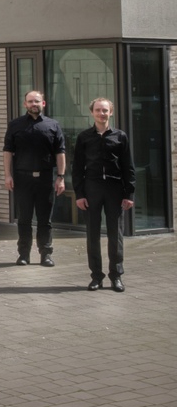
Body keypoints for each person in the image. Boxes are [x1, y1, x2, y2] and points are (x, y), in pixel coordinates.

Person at [74, 98, 134, 293]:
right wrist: (79, 194)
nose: (102, 113)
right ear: (92, 113)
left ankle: (116, 276)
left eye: (105, 110)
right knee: (92, 234)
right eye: (98, 110)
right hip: (91, 189)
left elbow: (128, 167)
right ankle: (96, 277)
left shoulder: (120, 136)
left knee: (115, 234)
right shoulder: (84, 137)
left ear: (111, 113)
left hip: (114, 189)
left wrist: (129, 193)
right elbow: (77, 168)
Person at [2, 90, 66, 267]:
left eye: (37, 101)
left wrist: (61, 177)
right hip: (22, 179)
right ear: (25, 104)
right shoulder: (15, 125)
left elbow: (60, 152)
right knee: (24, 219)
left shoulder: (53, 125)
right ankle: (24, 254)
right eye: (30, 101)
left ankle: (46, 254)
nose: (33, 104)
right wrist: (7, 175)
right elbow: (7, 151)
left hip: (45, 178)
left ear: (43, 103)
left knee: (45, 220)